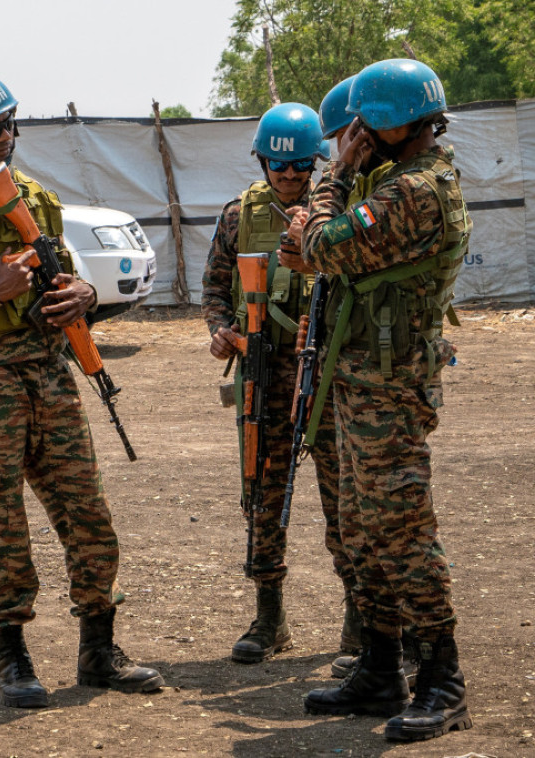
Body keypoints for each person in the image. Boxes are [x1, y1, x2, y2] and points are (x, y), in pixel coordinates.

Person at [0, 73, 163, 709]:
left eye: (11, 126)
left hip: (51, 378)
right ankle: (12, 658)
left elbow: (69, 279)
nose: (7, 138)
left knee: (88, 514)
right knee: (0, 521)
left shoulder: (38, 201)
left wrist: (83, 296)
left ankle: (99, 649)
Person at [298, 59, 472, 742]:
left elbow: (321, 244)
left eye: (369, 120)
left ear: (399, 123)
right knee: (363, 529)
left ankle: (441, 679)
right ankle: (378, 669)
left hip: (388, 389)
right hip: (364, 379)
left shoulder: (412, 192)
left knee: (401, 529)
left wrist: (333, 178)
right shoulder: (404, 180)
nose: (358, 132)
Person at [201, 102, 355, 664]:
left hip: (325, 377)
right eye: (278, 166)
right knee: (263, 497)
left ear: (315, 164)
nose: (289, 177)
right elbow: (216, 288)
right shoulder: (238, 215)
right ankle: (269, 619)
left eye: (299, 168)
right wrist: (221, 331)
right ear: (263, 161)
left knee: (345, 498)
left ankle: (359, 622)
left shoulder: (336, 212)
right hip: (263, 374)